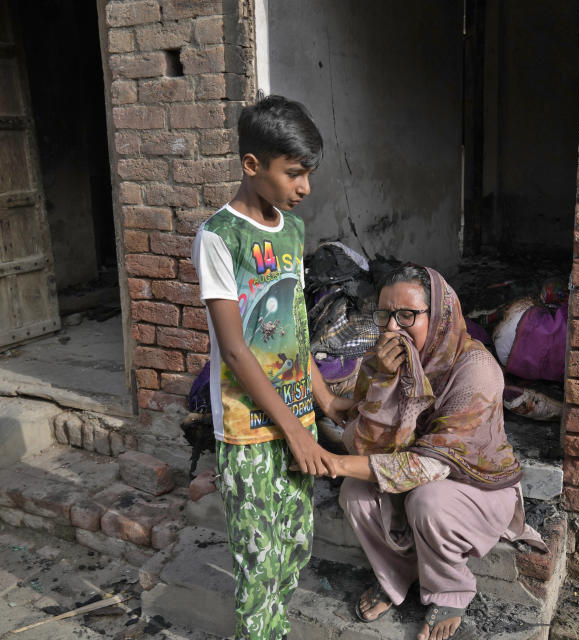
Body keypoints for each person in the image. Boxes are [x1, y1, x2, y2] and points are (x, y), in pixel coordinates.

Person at [190, 95, 353, 640]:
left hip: (298, 417)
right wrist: (298, 435)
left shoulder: (291, 230)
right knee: (257, 559)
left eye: (308, 173)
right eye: (295, 173)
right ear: (252, 165)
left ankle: (273, 630)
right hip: (248, 427)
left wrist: (326, 401)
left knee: (295, 543)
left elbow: (294, 329)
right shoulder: (219, 237)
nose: (305, 187)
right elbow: (235, 349)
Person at [319, 264, 546, 640]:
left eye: (406, 316)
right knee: (355, 494)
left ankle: (450, 587)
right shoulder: (381, 362)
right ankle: (397, 574)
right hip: (412, 472)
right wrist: (381, 384)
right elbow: (360, 441)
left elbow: (429, 467)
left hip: (476, 486)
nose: (392, 328)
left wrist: (336, 463)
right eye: (385, 315)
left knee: (427, 501)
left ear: (438, 315)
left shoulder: (476, 369)